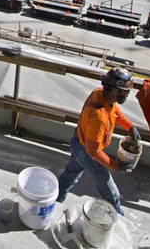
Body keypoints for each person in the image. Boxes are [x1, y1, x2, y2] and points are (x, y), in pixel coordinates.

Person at [56, 67, 136, 215]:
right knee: (111, 193)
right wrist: (114, 165)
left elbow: (114, 111)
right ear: (114, 90)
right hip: (87, 151)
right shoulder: (98, 117)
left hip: (78, 142)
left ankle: (53, 205)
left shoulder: (101, 94)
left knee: (69, 177)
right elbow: (92, 151)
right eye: (124, 91)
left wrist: (129, 126)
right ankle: (119, 220)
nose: (127, 94)